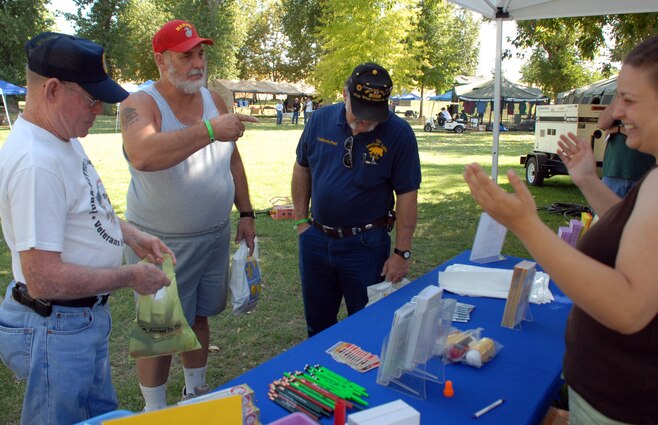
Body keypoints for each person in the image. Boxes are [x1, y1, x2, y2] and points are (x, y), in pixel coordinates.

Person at [463, 32, 658, 424]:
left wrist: (525, 224)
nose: (617, 111)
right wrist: (589, 180)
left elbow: (628, 308)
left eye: (629, 99)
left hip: (636, 405)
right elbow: (639, 234)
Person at [0, 32, 174, 425]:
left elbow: (87, 208)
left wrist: (132, 235)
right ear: (52, 90)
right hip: (55, 326)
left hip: (77, 322)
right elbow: (42, 279)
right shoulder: (36, 162)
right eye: (91, 99)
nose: (98, 110)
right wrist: (130, 275)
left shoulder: (59, 136)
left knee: (101, 417)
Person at [119, 19, 258, 411]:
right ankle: (155, 409)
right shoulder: (139, 104)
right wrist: (211, 130)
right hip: (161, 243)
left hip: (213, 234)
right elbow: (144, 155)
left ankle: (195, 394)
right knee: (160, 331)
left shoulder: (214, 99)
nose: (198, 63)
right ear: (162, 61)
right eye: (186, 56)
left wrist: (245, 213)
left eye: (201, 53)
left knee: (198, 319)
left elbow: (232, 159)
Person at [291, 62, 421, 337]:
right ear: (344, 94)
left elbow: (407, 194)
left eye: (373, 115)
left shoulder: (399, 134)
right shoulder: (319, 120)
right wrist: (302, 220)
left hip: (365, 246)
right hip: (316, 240)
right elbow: (302, 166)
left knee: (367, 329)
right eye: (359, 112)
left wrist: (401, 253)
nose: (365, 122)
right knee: (317, 327)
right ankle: (322, 379)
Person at [598, 95, 656, 197]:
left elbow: (647, 130)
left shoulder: (654, 100)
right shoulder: (620, 102)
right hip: (614, 171)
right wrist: (618, 97)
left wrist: (618, 129)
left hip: (643, 173)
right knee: (608, 212)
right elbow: (602, 124)